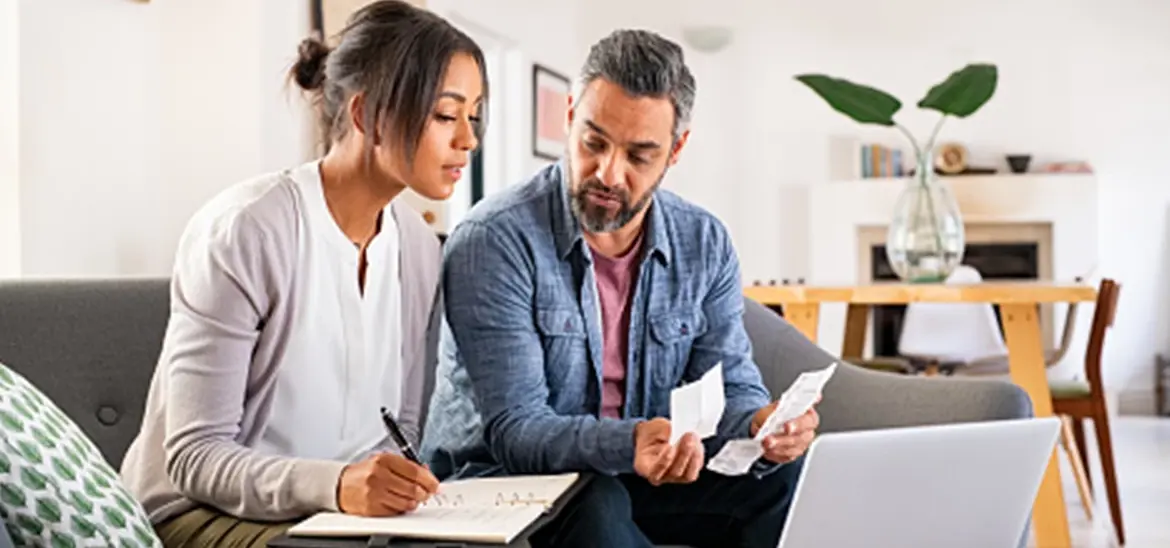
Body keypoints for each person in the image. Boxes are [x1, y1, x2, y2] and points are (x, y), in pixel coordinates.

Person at [421, 28, 819, 548]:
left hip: (637, 473)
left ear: (676, 150)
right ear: (569, 117)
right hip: (503, 484)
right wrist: (630, 442)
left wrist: (763, 426)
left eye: (639, 156)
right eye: (594, 142)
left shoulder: (704, 242)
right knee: (598, 502)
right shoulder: (494, 239)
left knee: (785, 480)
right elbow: (516, 430)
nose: (609, 173)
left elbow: (731, 387)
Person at [118, 2, 487, 546]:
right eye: (445, 115)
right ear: (367, 116)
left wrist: (394, 490)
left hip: (337, 519)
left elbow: (400, 430)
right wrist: (335, 485)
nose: (468, 140)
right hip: (198, 513)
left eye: (473, 115)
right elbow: (195, 457)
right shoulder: (247, 230)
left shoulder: (418, 249)